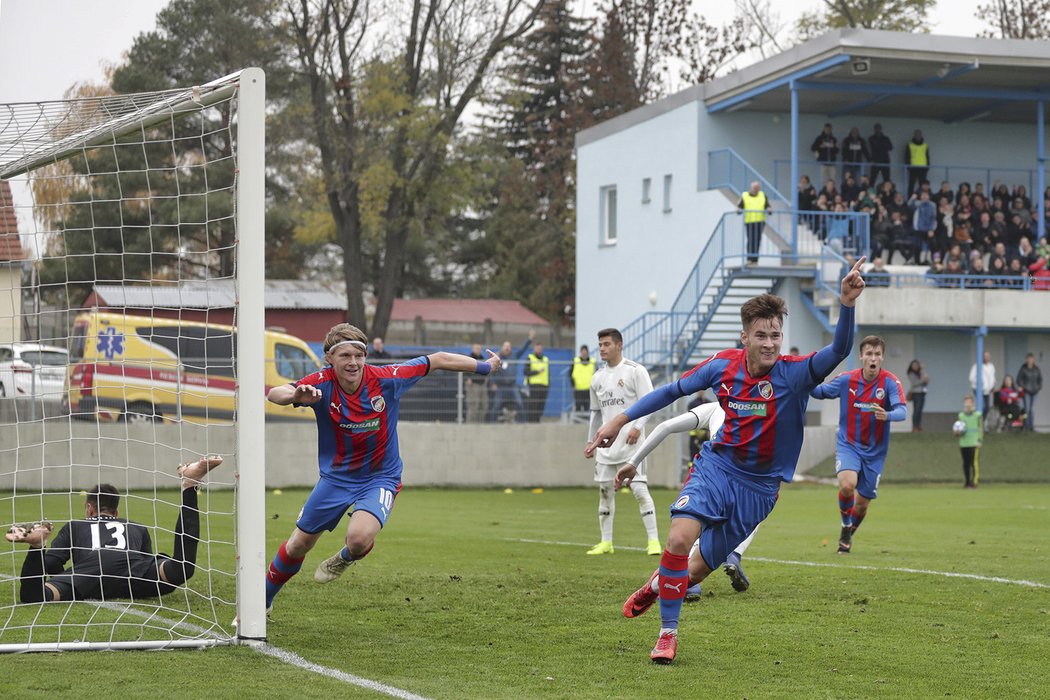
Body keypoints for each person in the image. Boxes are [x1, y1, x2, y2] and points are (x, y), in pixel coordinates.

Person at [590, 258, 866, 664]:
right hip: (717, 469)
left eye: (776, 334)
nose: (770, 343)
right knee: (679, 540)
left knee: (695, 573)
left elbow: (840, 349)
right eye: (762, 335)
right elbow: (670, 392)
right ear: (745, 336)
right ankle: (668, 635)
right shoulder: (723, 365)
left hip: (760, 489)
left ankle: (654, 587)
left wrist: (846, 303)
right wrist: (620, 418)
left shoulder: (795, 374)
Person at [262, 324, 501, 615]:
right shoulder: (320, 383)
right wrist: (297, 396)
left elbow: (437, 359)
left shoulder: (388, 378)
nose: (353, 362)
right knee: (299, 544)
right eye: (345, 355)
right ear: (329, 358)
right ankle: (262, 601)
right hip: (336, 478)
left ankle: (346, 557)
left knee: (359, 539)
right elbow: (276, 392)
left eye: (359, 355)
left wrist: (485, 367)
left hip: (380, 477)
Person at [6, 456, 224, 603]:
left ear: (90, 509)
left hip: (90, 573)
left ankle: (36, 544)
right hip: (132, 572)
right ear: (116, 513)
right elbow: (146, 560)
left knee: (34, 597)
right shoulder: (136, 527)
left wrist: (59, 568)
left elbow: (51, 564)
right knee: (181, 569)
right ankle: (189, 485)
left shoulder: (76, 525)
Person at [617, 400, 760, 596]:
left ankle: (681, 587)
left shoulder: (716, 406)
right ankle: (732, 555)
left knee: (694, 524)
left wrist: (633, 462)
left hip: (712, 477)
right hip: (750, 482)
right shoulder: (765, 406)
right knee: (752, 517)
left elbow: (666, 426)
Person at [809, 336, 907, 554]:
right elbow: (822, 392)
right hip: (849, 444)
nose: (873, 358)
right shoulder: (847, 380)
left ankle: (847, 535)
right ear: (861, 356)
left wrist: (888, 414)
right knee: (847, 485)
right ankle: (845, 526)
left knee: (862, 504)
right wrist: (804, 380)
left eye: (877, 354)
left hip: (876, 452)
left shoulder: (890, 382)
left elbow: (902, 411)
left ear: (882, 357)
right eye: (869, 353)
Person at [583, 328, 660, 556]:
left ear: (619, 345)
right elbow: (595, 413)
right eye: (600, 345)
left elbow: (651, 402)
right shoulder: (597, 377)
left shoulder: (635, 371)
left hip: (632, 445)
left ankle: (653, 541)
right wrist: (591, 441)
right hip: (606, 448)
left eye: (607, 344)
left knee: (639, 490)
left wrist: (637, 427)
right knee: (605, 492)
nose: (602, 349)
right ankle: (606, 542)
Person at [489, 332, 533, 423]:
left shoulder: (514, 356)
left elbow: (523, 349)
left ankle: (523, 423)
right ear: (502, 348)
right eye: (505, 346)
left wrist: (529, 339)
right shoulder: (497, 358)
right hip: (501, 387)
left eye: (508, 346)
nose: (507, 348)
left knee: (519, 403)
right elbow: (491, 372)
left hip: (512, 386)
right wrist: (492, 383)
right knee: (496, 406)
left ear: (511, 348)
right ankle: (492, 423)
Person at [737, 181, 771, 265]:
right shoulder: (745, 196)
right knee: (750, 240)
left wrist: (769, 209)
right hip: (749, 221)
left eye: (758, 188)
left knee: (757, 240)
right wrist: (738, 210)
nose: (756, 190)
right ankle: (749, 258)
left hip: (760, 222)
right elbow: (740, 207)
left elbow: (767, 206)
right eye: (755, 188)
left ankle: (755, 260)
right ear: (751, 188)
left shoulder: (762, 195)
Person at [957, 395, 983, 488]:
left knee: (973, 462)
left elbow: (980, 428)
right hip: (964, 442)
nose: (967, 404)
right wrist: (957, 433)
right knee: (966, 462)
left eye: (969, 402)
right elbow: (959, 427)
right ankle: (967, 481)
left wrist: (979, 440)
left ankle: (974, 481)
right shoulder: (961, 415)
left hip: (973, 441)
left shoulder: (977, 415)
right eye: (966, 402)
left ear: (972, 403)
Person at [524, 341, 550, 423]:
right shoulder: (530, 357)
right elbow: (526, 372)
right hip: (533, 385)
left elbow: (548, 374)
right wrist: (538, 371)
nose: (539, 350)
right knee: (533, 405)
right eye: (537, 348)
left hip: (544, 385)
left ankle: (538, 420)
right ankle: (532, 422)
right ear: (534, 348)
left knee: (541, 405)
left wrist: (549, 384)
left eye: (540, 348)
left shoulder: (546, 359)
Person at [969, 351, 996, 430]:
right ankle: (979, 424)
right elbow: (971, 378)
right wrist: (979, 383)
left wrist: (992, 385)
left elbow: (992, 377)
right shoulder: (976, 366)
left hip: (987, 390)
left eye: (988, 356)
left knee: (987, 407)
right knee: (981, 406)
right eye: (985, 356)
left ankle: (981, 422)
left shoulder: (991, 366)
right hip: (978, 389)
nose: (987, 358)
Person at [1016, 353, 1042, 431]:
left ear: (1033, 360)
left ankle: (1031, 426)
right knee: (1027, 409)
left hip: (1035, 392)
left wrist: (1038, 387)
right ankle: (1026, 426)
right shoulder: (1023, 368)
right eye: (1028, 359)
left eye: (1031, 359)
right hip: (1026, 391)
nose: (1030, 360)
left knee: (1031, 409)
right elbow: (1019, 380)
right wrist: (1024, 387)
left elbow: (1040, 380)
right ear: (1026, 359)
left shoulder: (1036, 369)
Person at [465, 342, 490, 423]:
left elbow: (486, 369)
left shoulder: (482, 358)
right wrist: (467, 378)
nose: (478, 350)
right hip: (473, 385)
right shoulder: (469, 358)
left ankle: (480, 422)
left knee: (484, 405)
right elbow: (463, 369)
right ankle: (470, 424)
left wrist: (486, 377)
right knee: (473, 406)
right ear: (472, 348)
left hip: (482, 384)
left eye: (479, 348)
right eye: (476, 348)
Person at [570, 344, 597, 414]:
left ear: (587, 352)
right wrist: (573, 384)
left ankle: (585, 421)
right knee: (578, 405)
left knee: (587, 406)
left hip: (589, 389)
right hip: (578, 388)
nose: (584, 353)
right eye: (583, 352)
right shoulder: (575, 361)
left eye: (585, 352)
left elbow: (597, 374)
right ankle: (577, 422)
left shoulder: (593, 361)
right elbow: (570, 374)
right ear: (580, 352)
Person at [811, 123, 839, 187]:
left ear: (831, 130)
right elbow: (813, 148)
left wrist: (836, 147)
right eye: (826, 129)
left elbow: (836, 151)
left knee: (832, 180)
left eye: (829, 129)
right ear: (824, 129)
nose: (828, 130)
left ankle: (832, 194)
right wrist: (820, 146)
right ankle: (822, 194)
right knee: (822, 181)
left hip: (832, 163)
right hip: (822, 162)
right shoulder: (819, 138)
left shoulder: (834, 139)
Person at [906, 359, 929, 431]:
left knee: (920, 410)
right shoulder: (911, 373)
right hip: (916, 394)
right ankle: (914, 426)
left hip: (922, 393)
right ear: (911, 366)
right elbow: (914, 383)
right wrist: (922, 380)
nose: (915, 366)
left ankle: (919, 426)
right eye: (914, 365)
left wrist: (922, 370)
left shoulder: (920, 372)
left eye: (917, 365)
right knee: (916, 410)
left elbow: (926, 379)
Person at [905, 130, 929, 196]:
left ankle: (922, 197)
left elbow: (927, 156)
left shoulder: (925, 145)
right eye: (916, 134)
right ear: (914, 135)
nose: (918, 136)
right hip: (913, 167)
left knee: (923, 185)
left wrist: (927, 167)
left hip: (923, 167)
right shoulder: (910, 144)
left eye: (919, 134)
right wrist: (908, 167)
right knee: (911, 184)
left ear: (921, 135)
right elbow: (907, 156)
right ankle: (910, 198)